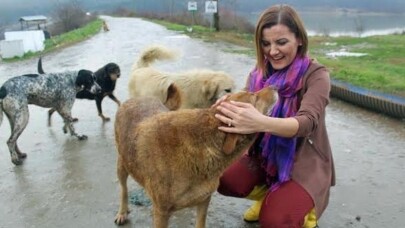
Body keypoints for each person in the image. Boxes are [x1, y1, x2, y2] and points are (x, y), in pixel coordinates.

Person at [214, 4, 335, 228]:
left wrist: (261, 122)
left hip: (304, 162)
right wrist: (225, 106)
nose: (272, 51)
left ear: (299, 39)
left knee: (276, 221)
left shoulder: (316, 75)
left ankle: (304, 209)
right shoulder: (258, 73)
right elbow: (246, 105)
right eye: (265, 43)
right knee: (223, 179)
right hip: (265, 156)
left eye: (281, 42)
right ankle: (269, 198)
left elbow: (307, 123)